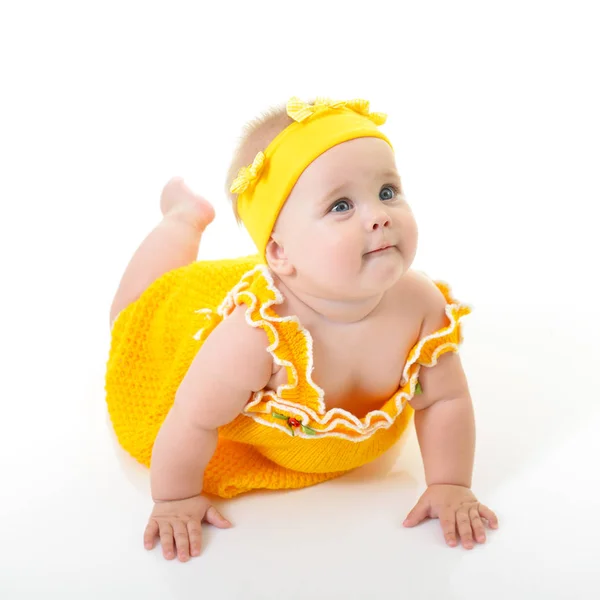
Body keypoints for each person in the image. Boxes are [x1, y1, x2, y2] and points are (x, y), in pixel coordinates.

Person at [105, 96, 499, 562]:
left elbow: (443, 398)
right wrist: (175, 498)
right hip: (188, 333)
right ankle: (183, 219)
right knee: (134, 313)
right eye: (341, 205)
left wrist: (450, 484)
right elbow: (193, 417)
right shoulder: (256, 336)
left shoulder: (421, 306)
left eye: (387, 191)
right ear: (278, 253)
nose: (379, 215)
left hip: (307, 282)